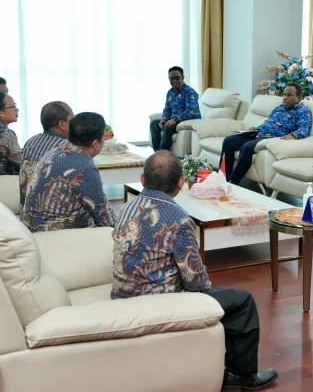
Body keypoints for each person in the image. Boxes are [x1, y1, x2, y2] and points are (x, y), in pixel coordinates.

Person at [111, 151, 278, 390]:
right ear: (181, 184)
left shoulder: (126, 207)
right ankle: (242, 375)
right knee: (242, 301)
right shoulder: (179, 219)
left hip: (121, 296)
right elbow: (195, 282)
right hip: (159, 303)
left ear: (143, 179)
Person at [22, 112, 116, 232]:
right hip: (55, 235)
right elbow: (105, 219)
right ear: (95, 144)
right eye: (103, 138)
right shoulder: (85, 167)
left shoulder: (53, 151)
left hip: (31, 229)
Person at [220, 82, 311, 184]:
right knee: (229, 140)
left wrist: (293, 135)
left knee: (247, 146)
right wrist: (256, 129)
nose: (285, 97)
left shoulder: (303, 111)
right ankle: (222, 178)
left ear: (299, 97)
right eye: (284, 94)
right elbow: (268, 123)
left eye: (289, 95)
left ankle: (233, 181)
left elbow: (304, 129)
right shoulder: (279, 108)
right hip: (258, 133)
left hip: (271, 138)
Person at [19, 101, 74, 208]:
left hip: (26, 207)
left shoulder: (31, 141)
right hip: (50, 211)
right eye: (72, 119)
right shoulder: (67, 147)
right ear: (62, 124)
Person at [149, 66, 201, 151]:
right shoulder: (170, 92)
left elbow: (191, 111)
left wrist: (175, 120)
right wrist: (164, 119)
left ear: (182, 78)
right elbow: (167, 109)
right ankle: (157, 153)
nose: (174, 81)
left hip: (188, 120)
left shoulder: (190, 92)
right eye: (171, 78)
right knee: (154, 124)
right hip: (174, 120)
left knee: (169, 127)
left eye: (177, 78)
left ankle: (162, 155)